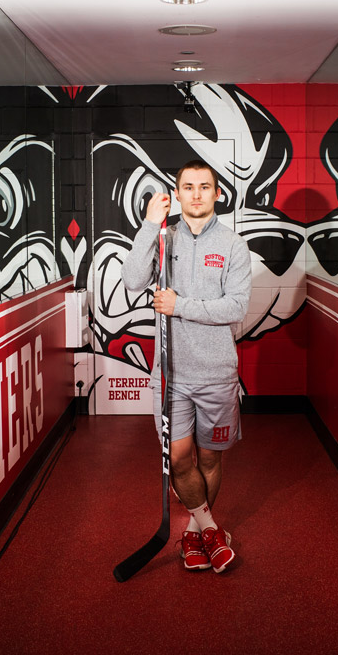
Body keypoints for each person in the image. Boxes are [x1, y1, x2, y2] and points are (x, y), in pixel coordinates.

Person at [121, 159, 251, 573]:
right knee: (179, 460)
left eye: (204, 187)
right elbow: (132, 280)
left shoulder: (233, 245)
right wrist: (147, 225)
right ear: (176, 195)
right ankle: (212, 529)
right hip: (171, 376)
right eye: (188, 187)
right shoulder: (165, 237)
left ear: (217, 194)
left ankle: (195, 533)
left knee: (210, 461)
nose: (196, 194)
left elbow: (236, 307)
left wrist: (181, 306)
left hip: (216, 374)